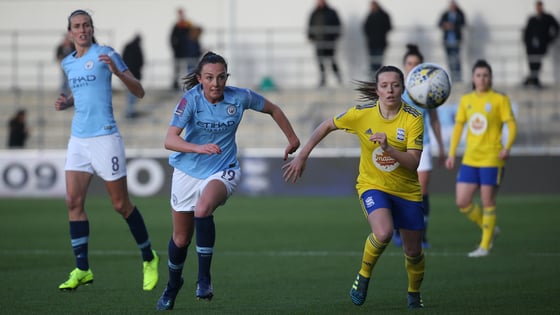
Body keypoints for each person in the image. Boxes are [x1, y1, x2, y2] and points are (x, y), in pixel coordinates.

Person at [156, 51, 300, 310]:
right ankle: (173, 284)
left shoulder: (240, 97)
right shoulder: (189, 100)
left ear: (226, 77)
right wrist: (198, 148)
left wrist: (292, 139)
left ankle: (204, 279)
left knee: (203, 208)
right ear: (200, 79)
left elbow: (273, 109)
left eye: (221, 77)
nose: (216, 83)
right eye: (209, 78)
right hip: (188, 171)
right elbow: (170, 140)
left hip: (223, 169)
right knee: (180, 239)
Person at [283, 66, 426, 309]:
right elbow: (326, 125)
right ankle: (363, 275)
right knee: (383, 233)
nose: (390, 90)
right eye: (384, 85)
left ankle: (413, 292)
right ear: (376, 89)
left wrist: (389, 148)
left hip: (407, 191)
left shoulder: (413, 118)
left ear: (403, 88)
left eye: (395, 85)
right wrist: (303, 155)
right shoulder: (362, 114)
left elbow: (413, 164)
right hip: (372, 185)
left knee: (413, 252)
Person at [54, 9, 159, 291]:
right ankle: (82, 269)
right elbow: (86, 91)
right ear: (70, 32)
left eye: (86, 25)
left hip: (105, 139)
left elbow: (139, 91)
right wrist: (69, 102)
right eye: (77, 26)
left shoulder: (108, 54)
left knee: (120, 205)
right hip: (78, 140)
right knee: (73, 203)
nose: (82, 30)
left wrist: (117, 73)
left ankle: (149, 258)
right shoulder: (67, 63)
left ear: (91, 28)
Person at [445, 59, 517, 258]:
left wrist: (507, 147)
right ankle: (490, 228)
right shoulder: (467, 100)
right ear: (473, 78)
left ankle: (485, 246)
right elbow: (459, 126)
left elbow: (511, 125)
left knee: (488, 201)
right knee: (462, 201)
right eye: (478, 75)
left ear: (490, 78)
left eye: (485, 75)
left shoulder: (499, 99)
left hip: (492, 158)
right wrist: (452, 153)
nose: (482, 79)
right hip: (470, 158)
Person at [393, 44, 446, 249]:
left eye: (416, 64)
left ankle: (421, 235)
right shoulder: (397, 90)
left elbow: (434, 120)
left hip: (422, 145)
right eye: (409, 63)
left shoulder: (428, 91)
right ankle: (399, 231)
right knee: (400, 189)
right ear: (405, 66)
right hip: (400, 146)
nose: (413, 66)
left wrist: (441, 148)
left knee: (421, 191)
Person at [522, 1, 559, 88]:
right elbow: (526, 32)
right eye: (537, 7)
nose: (539, 8)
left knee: (537, 62)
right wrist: (526, 42)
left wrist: (550, 39)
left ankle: (533, 80)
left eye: (540, 7)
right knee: (532, 63)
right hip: (531, 47)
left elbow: (556, 27)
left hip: (541, 46)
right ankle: (533, 80)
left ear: (542, 7)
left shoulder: (548, 18)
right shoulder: (532, 19)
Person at [307, 0, 342, 87]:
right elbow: (310, 25)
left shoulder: (332, 12)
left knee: (332, 60)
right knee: (320, 61)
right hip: (319, 42)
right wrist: (310, 36)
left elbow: (338, 25)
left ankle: (339, 79)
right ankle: (323, 79)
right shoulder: (314, 13)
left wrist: (335, 36)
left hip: (330, 41)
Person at [438, 1, 466, 83]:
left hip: (456, 41)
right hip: (447, 41)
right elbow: (439, 23)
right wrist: (445, 25)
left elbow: (463, 23)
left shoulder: (460, 14)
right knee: (449, 60)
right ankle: (452, 77)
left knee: (456, 60)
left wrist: (453, 26)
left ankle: (458, 78)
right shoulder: (445, 14)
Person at [363, 1, 392, 79]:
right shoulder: (370, 16)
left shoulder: (383, 15)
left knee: (378, 63)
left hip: (380, 43)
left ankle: (378, 79)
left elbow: (389, 27)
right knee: (372, 63)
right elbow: (365, 27)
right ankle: (373, 80)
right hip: (372, 44)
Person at [122, 34, 144, 119]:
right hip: (134, 75)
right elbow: (141, 61)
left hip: (127, 75)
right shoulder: (137, 48)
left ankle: (129, 111)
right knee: (132, 94)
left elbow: (123, 60)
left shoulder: (128, 47)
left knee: (130, 94)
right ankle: (130, 111)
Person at [170, 8, 192, 90]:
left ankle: (190, 84)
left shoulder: (188, 25)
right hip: (178, 52)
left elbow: (191, 37)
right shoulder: (176, 26)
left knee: (189, 68)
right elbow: (172, 39)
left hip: (186, 52)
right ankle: (175, 84)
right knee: (177, 69)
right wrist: (175, 48)